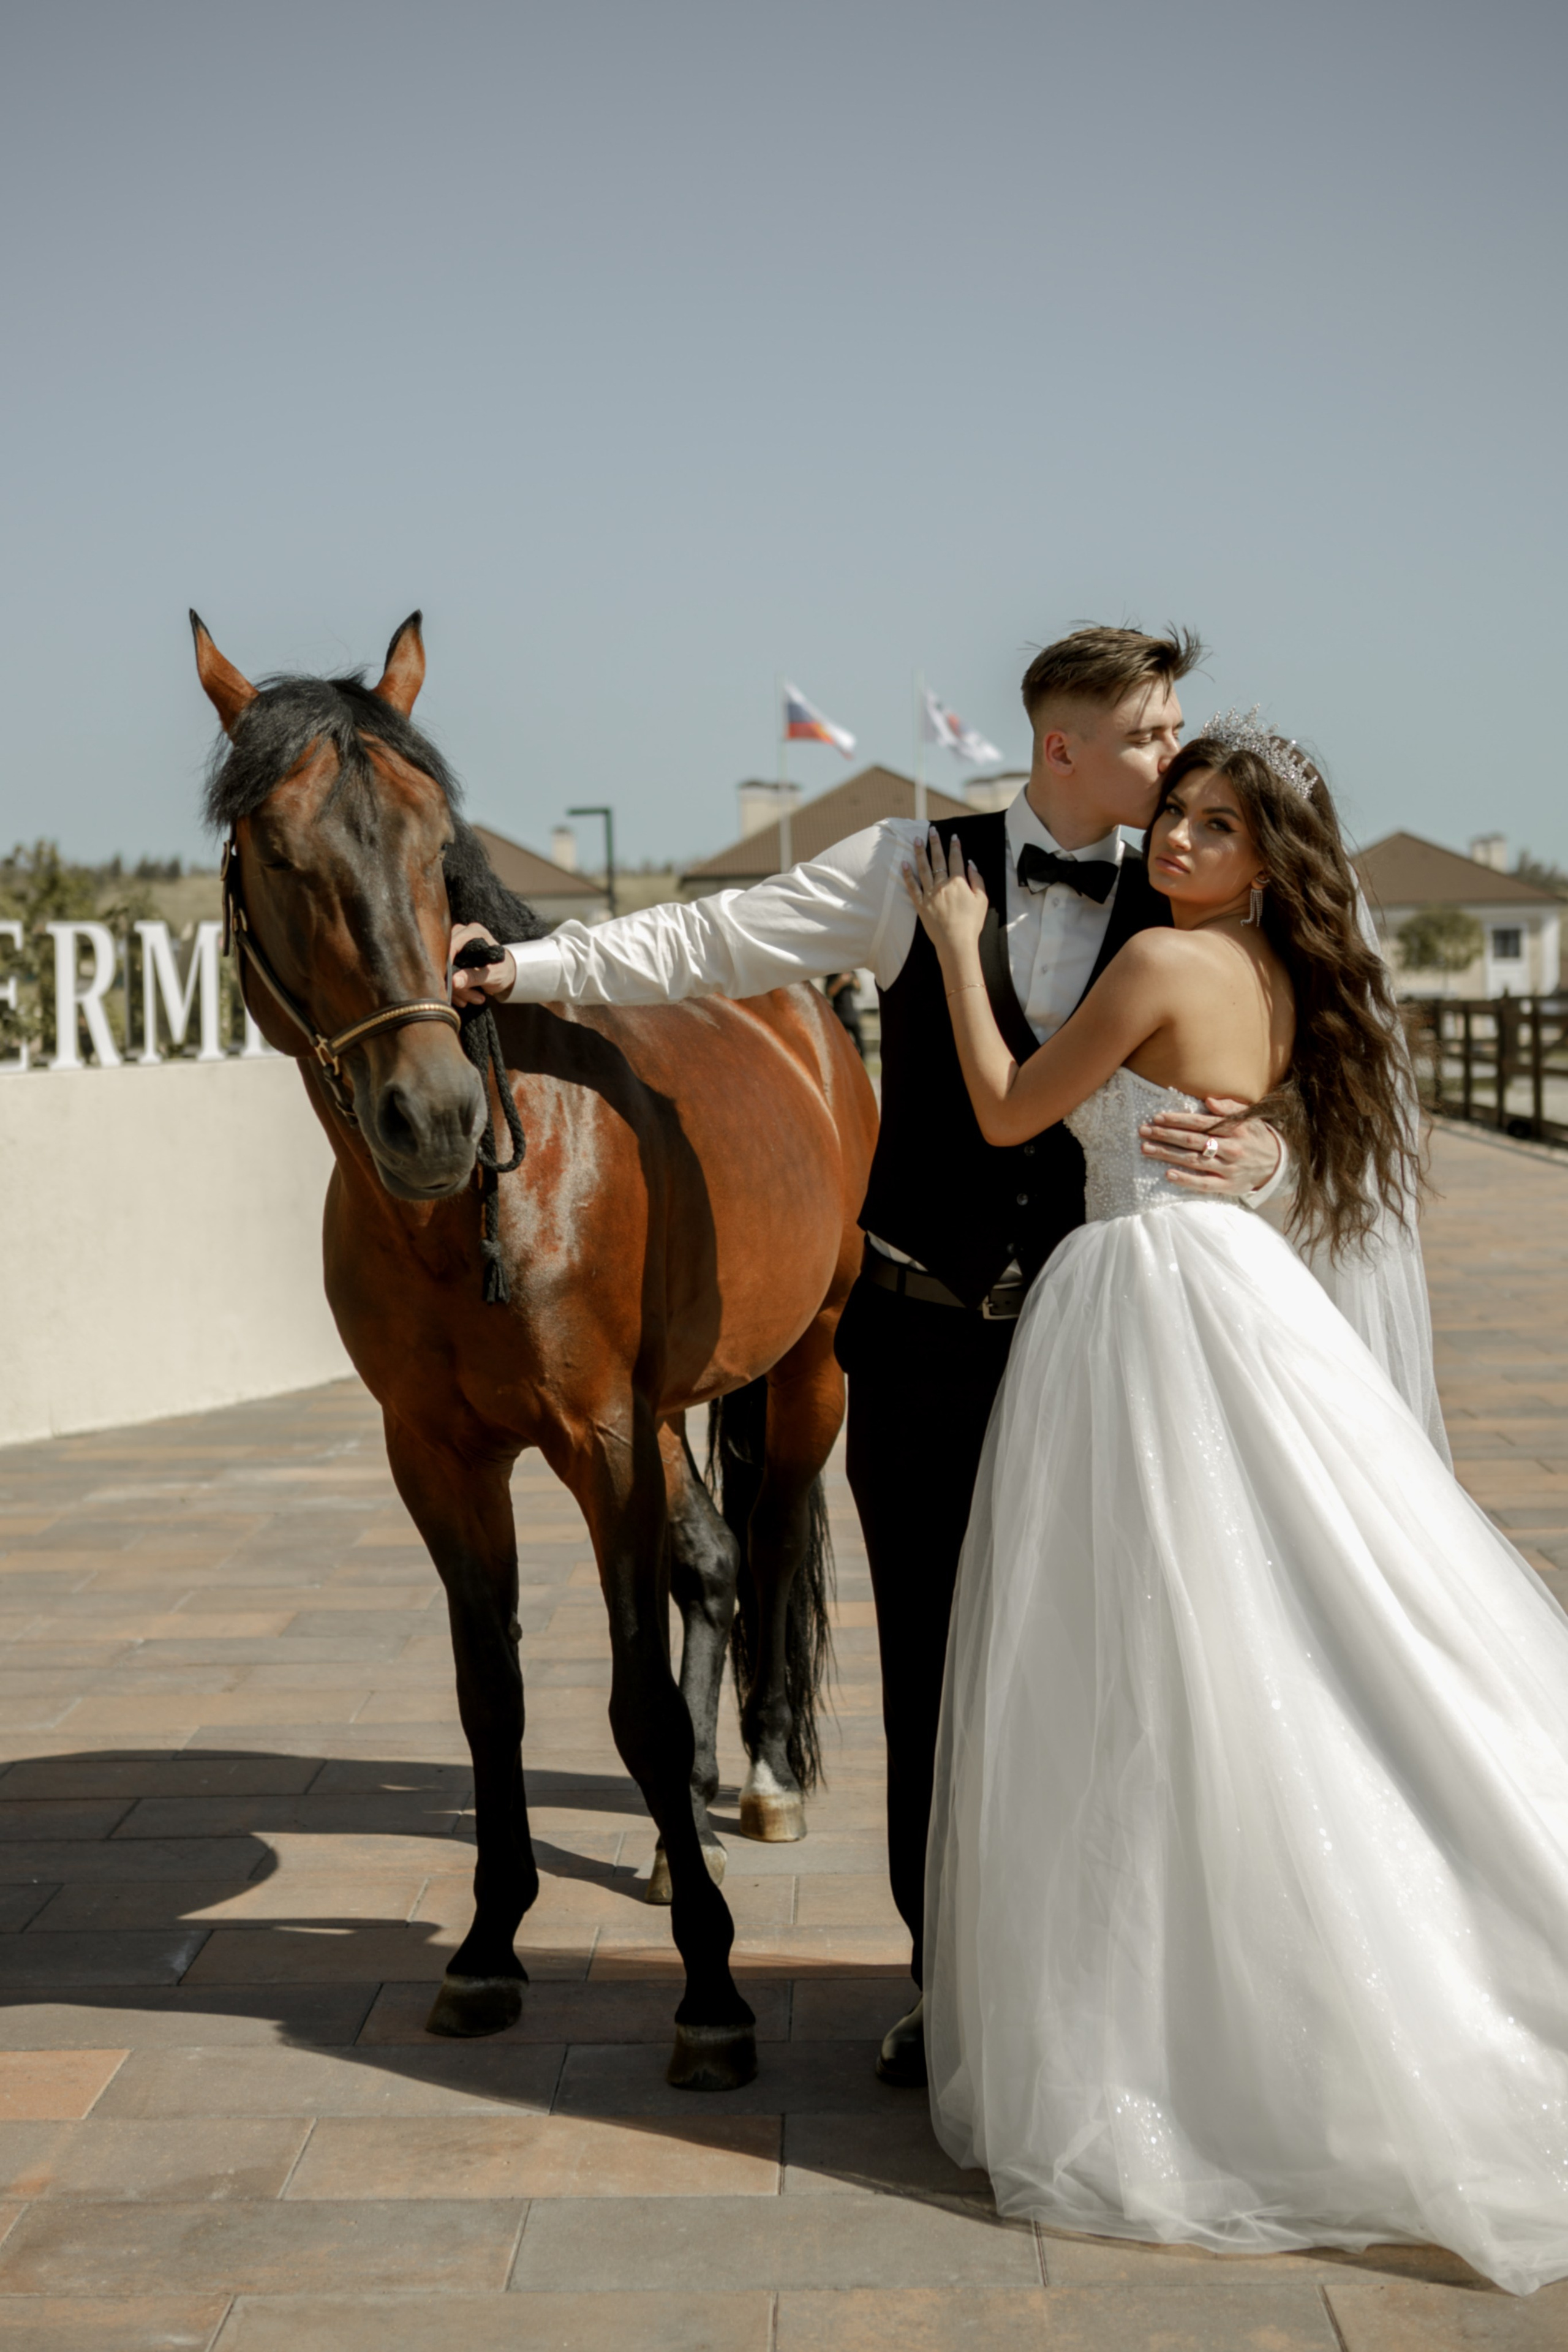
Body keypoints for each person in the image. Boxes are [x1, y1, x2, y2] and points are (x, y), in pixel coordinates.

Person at [449, 628, 1348, 2085]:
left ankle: (1111, 1977)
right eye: (1145, 734)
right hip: (924, 1343)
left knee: (1108, 1662)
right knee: (934, 1672)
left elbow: (1330, 1055)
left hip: (1110, 1342)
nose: (1173, 758)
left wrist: (1270, 1138)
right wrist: (531, 960)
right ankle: (948, 1982)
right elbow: (706, 942)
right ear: (1061, 746)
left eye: (1175, 731)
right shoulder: (902, 868)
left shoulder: (1197, 884)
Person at [907, 718, 1568, 2297]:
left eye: (1212, 825)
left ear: (1266, 855)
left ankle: (1174, 2027)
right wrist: (1262, 1153)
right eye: (1175, 815)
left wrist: (953, 944)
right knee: (1276, 1626)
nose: (1175, 843)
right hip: (1243, 1296)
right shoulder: (1282, 978)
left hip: (1142, 1305)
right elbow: (1268, 1134)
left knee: (1155, 1654)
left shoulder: (1156, 966)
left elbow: (1006, 1108)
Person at [824, 970, 865, 1058]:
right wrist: (840, 982)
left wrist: (852, 979)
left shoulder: (851, 972)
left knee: (861, 1045)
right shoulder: (832, 975)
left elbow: (859, 989)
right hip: (839, 1016)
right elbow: (829, 993)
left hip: (852, 1014)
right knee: (840, 1045)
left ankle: (862, 1064)